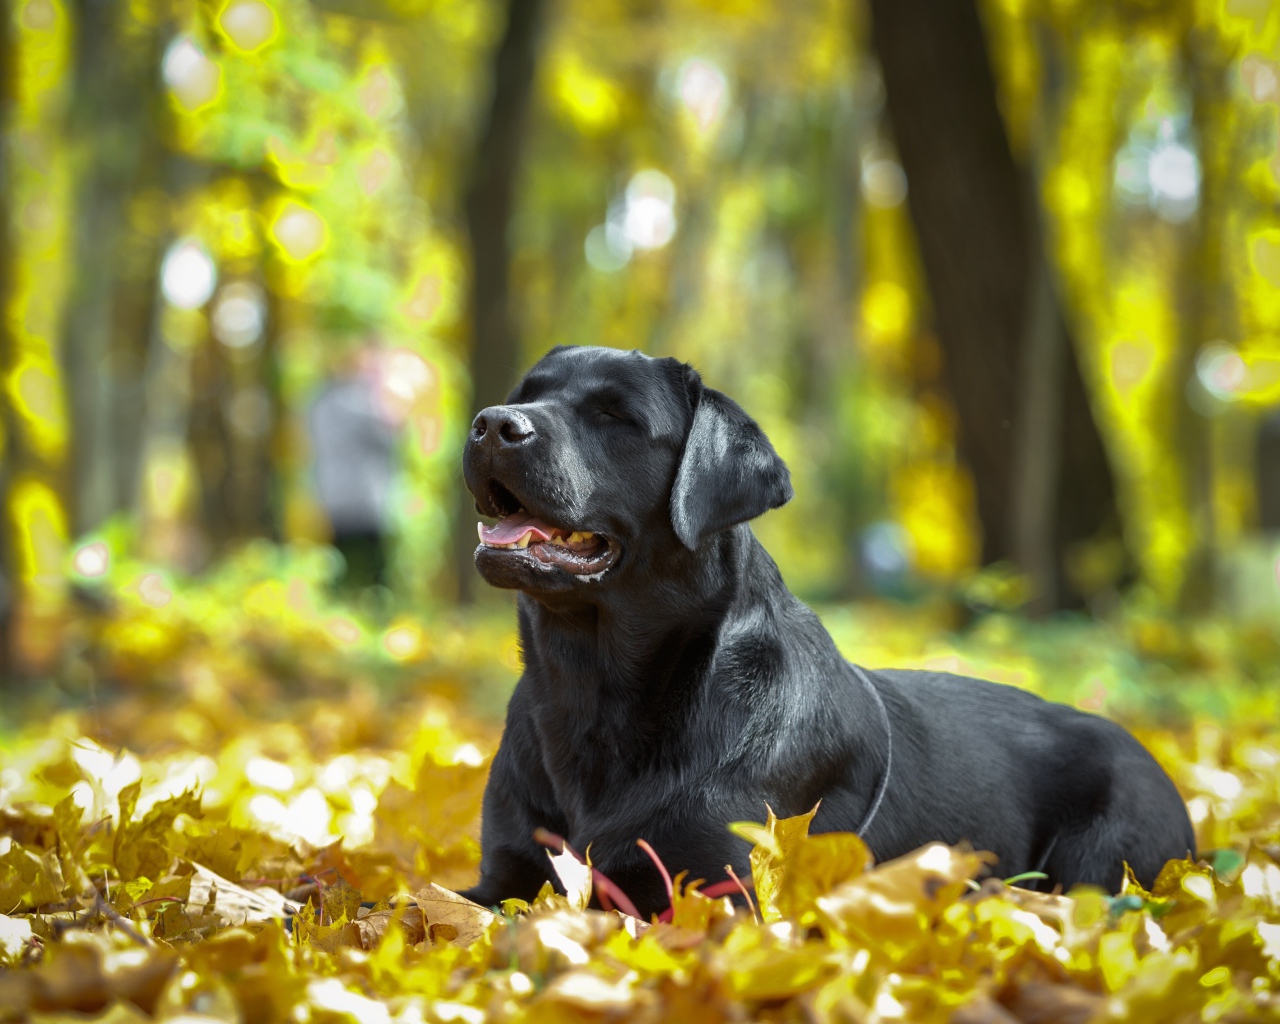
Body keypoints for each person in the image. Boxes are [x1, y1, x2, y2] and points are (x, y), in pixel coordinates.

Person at [309, 346, 401, 590]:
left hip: (332, 497)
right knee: (376, 569)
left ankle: (335, 613)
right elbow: (388, 437)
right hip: (365, 499)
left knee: (339, 564)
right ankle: (377, 609)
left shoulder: (318, 404)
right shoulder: (360, 403)